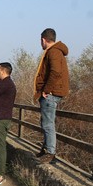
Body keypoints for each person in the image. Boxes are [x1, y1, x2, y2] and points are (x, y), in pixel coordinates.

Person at [34, 28, 69, 163]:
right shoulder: (56, 51)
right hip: (53, 92)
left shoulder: (53, 52)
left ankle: (50, 153)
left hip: (51, 93)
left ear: (43, 40)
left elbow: (55, 72)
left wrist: (46, 90)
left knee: (48, 124)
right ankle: (46, 150)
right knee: (46, 122)